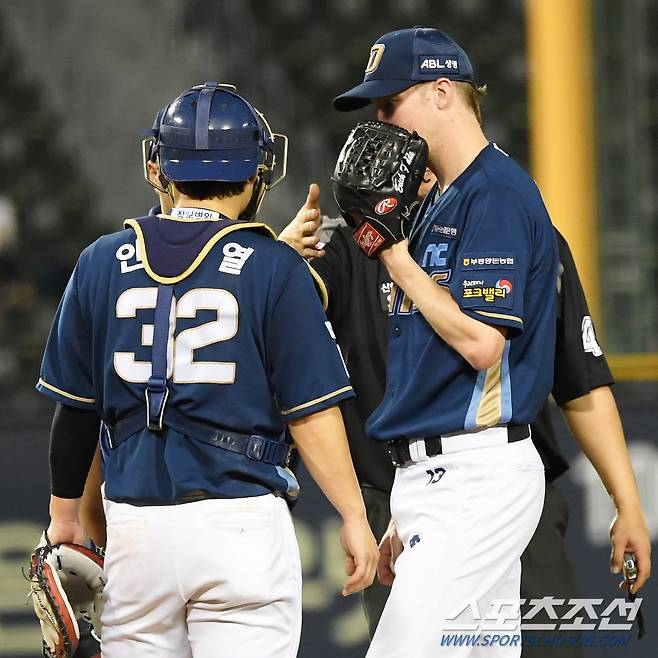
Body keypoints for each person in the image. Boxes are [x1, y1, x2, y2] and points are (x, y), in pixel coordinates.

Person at [36, 81, 377, 658]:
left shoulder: (100, 261)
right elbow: (312, 412)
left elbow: (76, 412)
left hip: (136, 534)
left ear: (157, 169)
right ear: (256, 175)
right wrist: (353, 514)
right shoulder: (274, 266)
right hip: (238, 527)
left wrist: (65, 517)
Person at [281, 167, 651, 656]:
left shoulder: (518, 226)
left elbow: (579, 381)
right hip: (397, 503)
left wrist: (627, 503)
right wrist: (281, 261)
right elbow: (277, 316)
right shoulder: (348, 240)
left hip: (510, 496)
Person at [335, 26, 556, 657]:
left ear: (440, 92)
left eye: (388, 103)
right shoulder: (443, 199)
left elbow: (484, 345)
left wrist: (396, 259)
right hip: (439, 476)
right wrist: (409, 509)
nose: (380, 121)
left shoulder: (497, 195)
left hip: (475, 475)